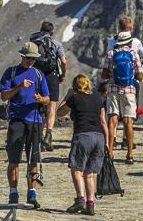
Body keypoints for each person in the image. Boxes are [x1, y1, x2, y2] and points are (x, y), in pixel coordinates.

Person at [0, 42, 50, 209]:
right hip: (17, 119)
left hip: (35, 120)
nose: (30, 61)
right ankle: (13, 192)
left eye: (33, 58)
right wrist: (19, 87)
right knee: (14, 159)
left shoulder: (38, 74)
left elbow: (48, 97)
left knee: (33, 158)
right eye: (28, 58)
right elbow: (4, 97)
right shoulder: (11, 72)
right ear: (22, 56)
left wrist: (41, 99)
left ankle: (32, 192)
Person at [57, 74, 109, 216]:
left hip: (83, 135)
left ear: (75, 86)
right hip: (99, 137)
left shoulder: (74, 98)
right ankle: (90, 204)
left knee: (77, 169)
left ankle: (80, 198)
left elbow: (59, 113)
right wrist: (108, 143)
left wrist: (67, 96)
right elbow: (103, 121)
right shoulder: (98, 98)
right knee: (90, 173)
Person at [101, 31, 143, 163]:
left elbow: (104, 74)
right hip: (129, 89)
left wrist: (113, 75)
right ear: (129, 42)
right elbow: (140, 76)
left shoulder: (111, 54)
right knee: (128, 122)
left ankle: (110, 152)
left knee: (112, 120)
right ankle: (129, 155)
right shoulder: (133, 54)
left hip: (113, 89)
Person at [29, 21, 67, 151]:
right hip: (52, 76)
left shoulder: (35, 43)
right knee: (52, 106)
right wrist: (62, 76)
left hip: (38, 75)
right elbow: (63, 62)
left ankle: (38, 137)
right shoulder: (56, 44)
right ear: (52, 33)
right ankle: (48, 135)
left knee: (39, 104)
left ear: (40, 30)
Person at [107, 17, 143, 148]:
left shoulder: (111, 41)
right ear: (129, 28)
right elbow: (141, 59)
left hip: (113, 84)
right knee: (129, 116)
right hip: (130, 84)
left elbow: (108, 65)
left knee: (113, 116)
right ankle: (126, 142)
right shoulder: (136, 43)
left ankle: (112, 143)